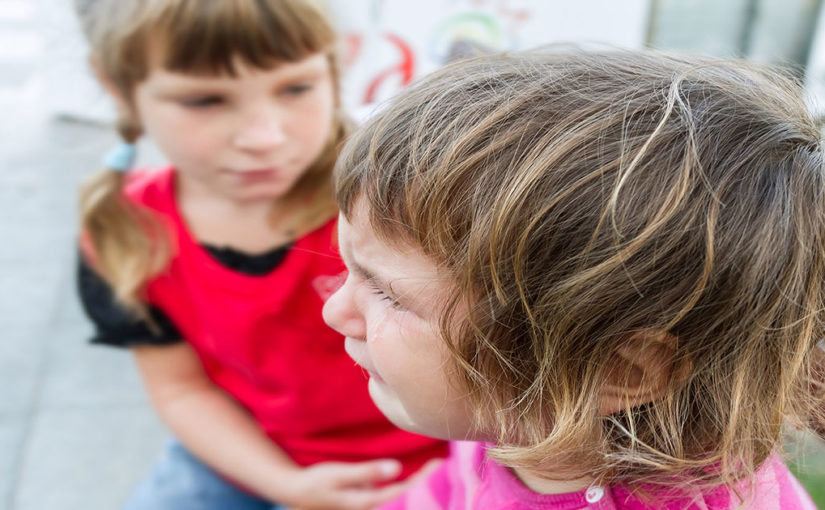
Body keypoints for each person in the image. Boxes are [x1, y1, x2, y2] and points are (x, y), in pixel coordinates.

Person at [322, 50, 825, 509]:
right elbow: (454, 486)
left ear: (618, 372)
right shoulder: (521, 413)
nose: (334, 312)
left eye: (388, 293)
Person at [73, 1, 446, 509]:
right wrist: (284, 486)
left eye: (295, 88)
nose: (263, 137)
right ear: (117, 86)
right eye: (206, 100)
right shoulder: (123, 234)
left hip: (452, 448)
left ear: (337, 65)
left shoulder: (407, 193)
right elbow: (181, 390)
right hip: (253, 448)